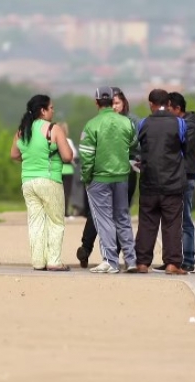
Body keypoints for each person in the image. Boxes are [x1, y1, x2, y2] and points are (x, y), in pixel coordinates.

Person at [75, 86, 139, 269]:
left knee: (104, 220)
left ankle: (110, 261)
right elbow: (133, 142)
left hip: (100, 178)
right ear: (113, 101)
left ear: (96, 102)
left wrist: (86, 177)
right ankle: (131, 259)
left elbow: (86, 155)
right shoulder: (126, 123)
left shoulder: (92, 125)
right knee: (123, 217)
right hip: (122, 176)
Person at [10, 94, 73, 271]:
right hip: (49, 180)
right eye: (51, 108)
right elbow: (68, 156)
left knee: (35, 222)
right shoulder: (54, 129)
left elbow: (14, 154)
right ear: (43, 110)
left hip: (28, 182)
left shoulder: (22, 130)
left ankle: (38, 262)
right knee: (55, 221)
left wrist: (32, 159)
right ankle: (54, 261)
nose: (53, 111)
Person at [134, 89, 188, 275]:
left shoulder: (143, 123)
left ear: (151, 104)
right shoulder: (179, 123)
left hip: (149, 181)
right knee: (172, 224)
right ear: (169, 102)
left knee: (147, 223)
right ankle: (172, 263)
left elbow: (138, 147)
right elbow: (183, 147)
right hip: (172, 181)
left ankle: (142, 262)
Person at [159, 91, 195, 273]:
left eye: (169, 109)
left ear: (177, 109)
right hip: (172, 176)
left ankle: (188, 258)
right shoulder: (177, 123)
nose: (166, 112)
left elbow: (182, 147)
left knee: (185, 219)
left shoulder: (190, 126)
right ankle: (172, 259)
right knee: (170, 220)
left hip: (185, 177)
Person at [57, 122, 77, 217]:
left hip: (56, 170)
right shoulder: (68, 141)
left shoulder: (53, 141)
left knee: (56, 192)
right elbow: (74, 154)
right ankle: (65, 212)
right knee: (66, 192)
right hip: (68, 169)